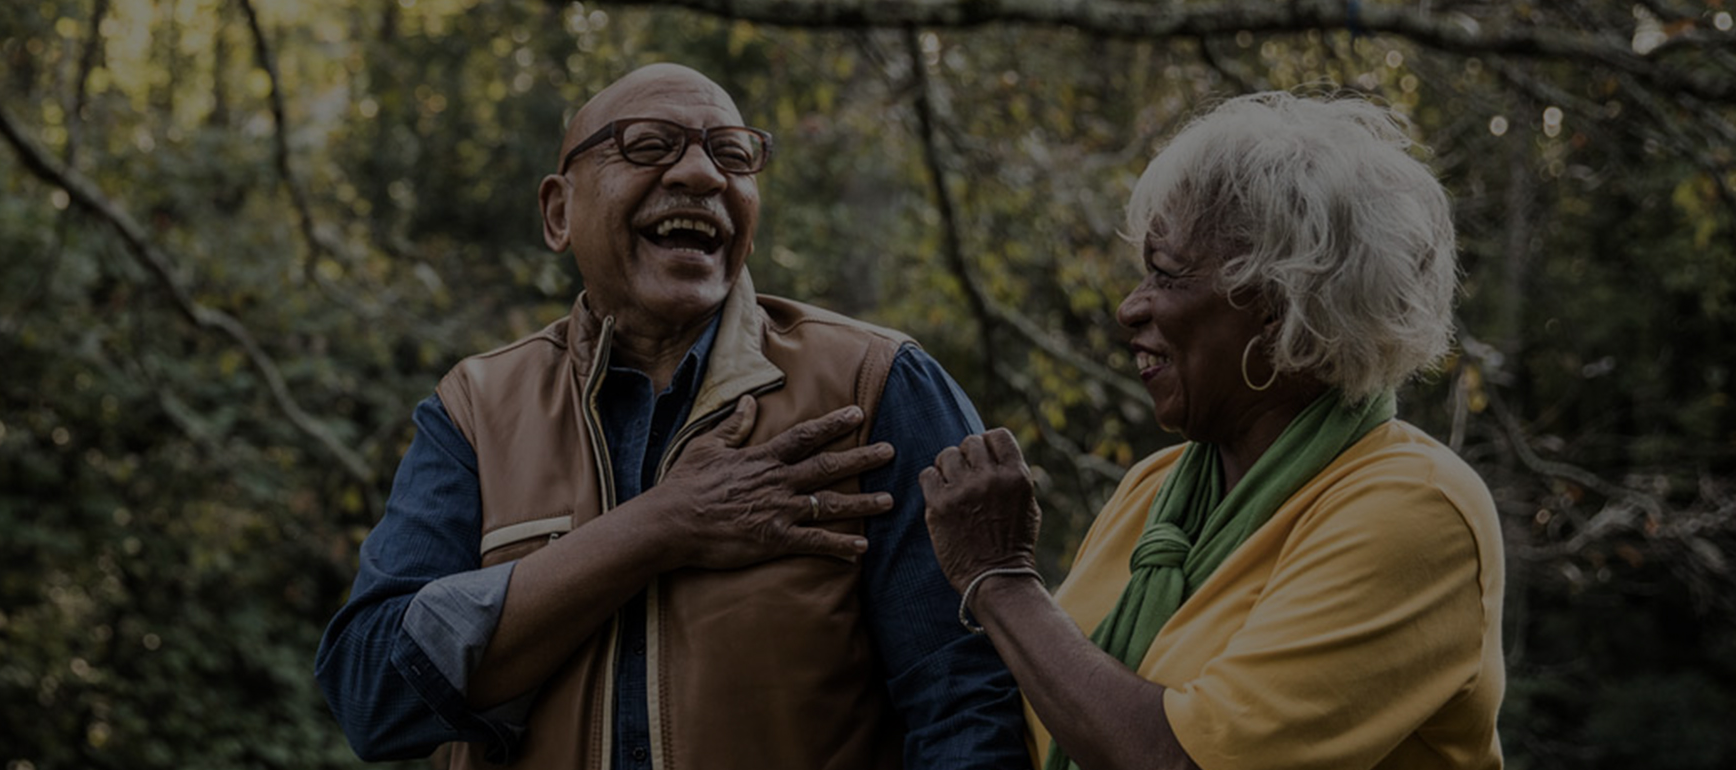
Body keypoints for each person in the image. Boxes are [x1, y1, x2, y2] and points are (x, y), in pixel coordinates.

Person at [314, 62, 1029, 770]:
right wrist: (664, 525)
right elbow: (372, 694)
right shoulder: (475, 408)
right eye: (649, 145)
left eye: (732, 154)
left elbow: (964, 704)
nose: (701, 175)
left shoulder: (875, 386)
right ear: (559, 211)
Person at [920, 92, 1506, 770]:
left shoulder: (1414, 510)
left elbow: (1182, 761)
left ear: (1285, 312)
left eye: (1166, 276)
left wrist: (1000, 579)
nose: (1130, 307)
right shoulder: (1156, 492)